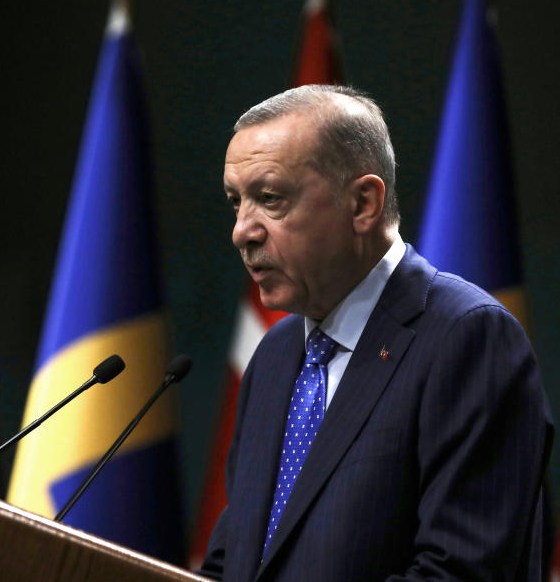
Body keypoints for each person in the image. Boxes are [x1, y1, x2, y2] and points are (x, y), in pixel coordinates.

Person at [199, 85, 552, 581]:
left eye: (270, 198)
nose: (242, 230)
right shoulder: (275, 355)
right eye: (236, 202)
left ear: (363, 203)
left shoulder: (466, 338)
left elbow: (462, 572)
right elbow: (234, 561)